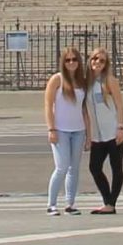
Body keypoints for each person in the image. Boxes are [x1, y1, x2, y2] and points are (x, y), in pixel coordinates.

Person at [43, 46, 90, 215]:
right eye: (68, 60)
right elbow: (48, 105)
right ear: (63, 62)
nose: (71, 63)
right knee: (61, 166)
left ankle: (70, 204)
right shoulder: (57, 79)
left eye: (74, 59)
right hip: (60, 129)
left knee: (74, 168)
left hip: (78, 130)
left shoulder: (82, 81)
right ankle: (51, 204)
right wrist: (51, 129)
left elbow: (84, 109)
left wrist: (89, 135)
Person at [83, 46, 123, 216]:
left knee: (116, 168)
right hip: (97, 134)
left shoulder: (109, 80)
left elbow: (119, 105)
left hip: (113, 131)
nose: (97, 63)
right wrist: (88, 135)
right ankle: (107, 200)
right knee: (94, 167)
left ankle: (111, 203)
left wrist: (120, 127)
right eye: (95, 59)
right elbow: (85, 111)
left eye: (102, 60)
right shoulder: (86, 83)